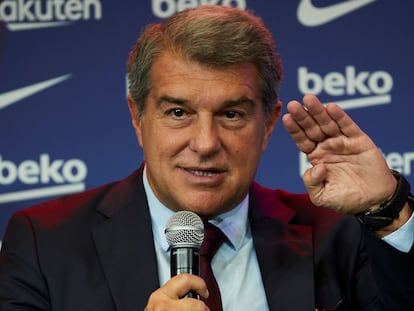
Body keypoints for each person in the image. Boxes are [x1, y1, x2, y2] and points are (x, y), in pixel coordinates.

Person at [0, 5, 413, 311]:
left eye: (231, 114)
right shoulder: (44, 242)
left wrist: (389, 212)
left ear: (268, 125)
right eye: (178, 113)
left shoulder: (338, 234)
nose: (205, 143)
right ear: (137, 117)